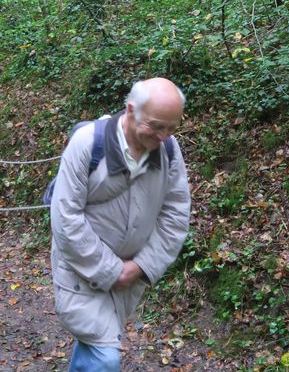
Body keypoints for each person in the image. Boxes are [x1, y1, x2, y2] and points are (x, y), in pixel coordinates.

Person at [49, 78, 191, 372]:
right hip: (81, 270)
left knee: (96, 344)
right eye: (156, 126)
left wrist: (140, 266)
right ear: (130, 110)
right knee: (105, 357)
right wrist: (111, 270)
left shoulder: (168, 150)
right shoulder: (88, 144)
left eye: (172, 127)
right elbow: (66, 219)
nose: (164, 136)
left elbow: (175, 215)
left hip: (130, 278)